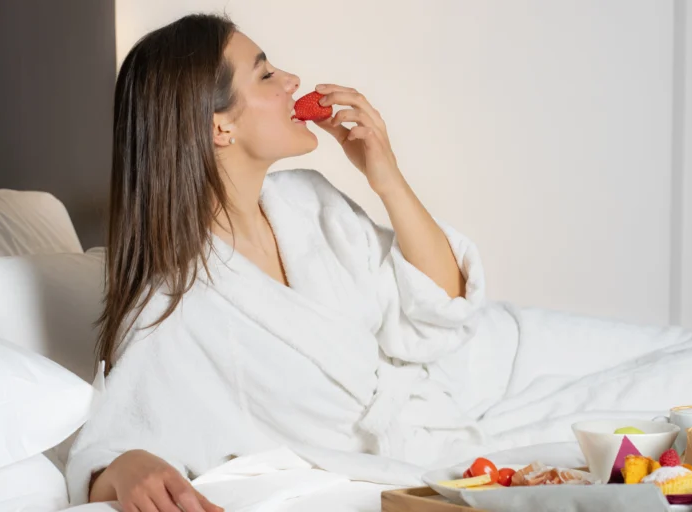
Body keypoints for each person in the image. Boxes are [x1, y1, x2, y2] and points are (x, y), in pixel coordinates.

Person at [66, 12, 487, 512]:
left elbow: (442, 308)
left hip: (428, 437)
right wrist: (124, 465)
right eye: (266, 75)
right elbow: (115, 438)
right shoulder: (175, 300)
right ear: (218, 125)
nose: (292, 82)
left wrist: (387, 178)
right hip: (369, 479)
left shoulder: (310, 202)